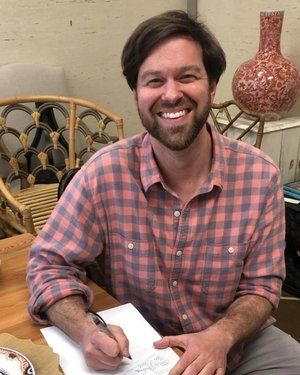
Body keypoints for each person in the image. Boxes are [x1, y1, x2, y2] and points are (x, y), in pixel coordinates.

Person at [27, 10, 300, 375]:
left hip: (237, 342)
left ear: (212, 86)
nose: (172, 94)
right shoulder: (104, 173)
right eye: (154, 80)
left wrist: (220, 337)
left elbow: (263, 286)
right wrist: (86, 330)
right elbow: (48, 264)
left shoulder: (260, 176)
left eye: (187, 76)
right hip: (141, 351)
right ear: (136, 93)